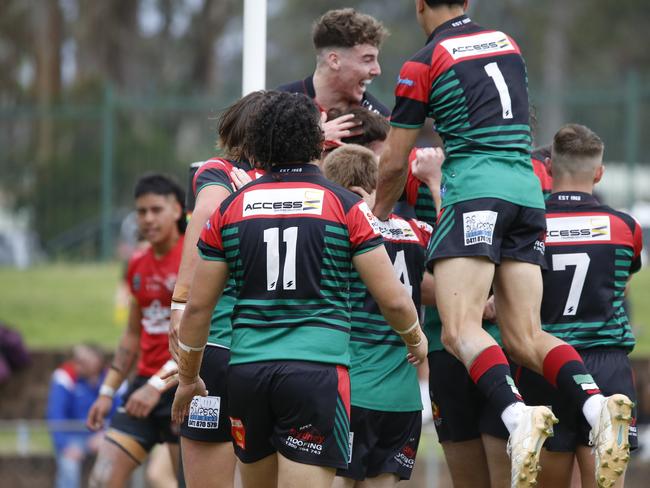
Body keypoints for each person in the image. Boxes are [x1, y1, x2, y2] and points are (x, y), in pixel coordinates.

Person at [372, 1, 633, 486]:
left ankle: (518, 416)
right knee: (525, 337)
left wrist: (376, 219)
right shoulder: (507, 44)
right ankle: (597, 406)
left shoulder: (422, 63)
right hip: (527, 193)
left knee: (456, 330)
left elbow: (392, 161)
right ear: (467, 3)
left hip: (476, 192)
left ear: (419, 5)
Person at [171, 91, 427, 488]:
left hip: (248, 375)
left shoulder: (231, 208)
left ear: (256, 145)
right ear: (317, 141)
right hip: (315, 376)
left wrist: (188, 378)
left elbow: (199, 308)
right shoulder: (344, 206)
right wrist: (415, 339)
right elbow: (393, 298)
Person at [514, 124, 641, 488]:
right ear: (599, 173)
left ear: (549, 167)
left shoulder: (530, 226)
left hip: (546, 363)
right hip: (608, 368)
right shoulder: (624, 227)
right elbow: (622, 283)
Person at [168, 91, 266, 488]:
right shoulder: (304, 185)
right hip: (283, 358)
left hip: (221, 350)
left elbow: (207, 211)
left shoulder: (222, 172)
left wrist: (179, 302)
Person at [323, 145, 431, 487]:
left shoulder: (340, 230)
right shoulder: (416, 230)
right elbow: (452, 246)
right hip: (403, 399)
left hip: (352, 392)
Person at [410, 148, 511, 488]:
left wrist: (436, 181)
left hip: (492, 350)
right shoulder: (430, 182)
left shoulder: (505, 187)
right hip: (450, 350)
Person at [86, 174, 185, 487]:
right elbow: (132, 333)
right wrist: (107, 391)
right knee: (102, 480)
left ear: (177, 211)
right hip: (142, 387)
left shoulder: (194, 258)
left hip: (183, 386)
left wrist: (157, 385)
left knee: (186, 482)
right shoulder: (137, 262)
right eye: (141, 212)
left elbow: (201, 335)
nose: (148, 219)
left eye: (156, 210)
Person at [278, 8, 390, 146]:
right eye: (367, 60)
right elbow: (251, 160)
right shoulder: (279, 105)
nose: (377, 70)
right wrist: (315, 140)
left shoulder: (382, 116)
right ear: (334, 61)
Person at [47, 344, 111, 488]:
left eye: (84, 362)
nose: (78, 365)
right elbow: (55, 416)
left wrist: (106, 434)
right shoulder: (65, 377)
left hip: (102, 436)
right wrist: (64, 445)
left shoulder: (110, 379)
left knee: (110, 465)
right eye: (77, 360)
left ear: (98, 362)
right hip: (72, 437)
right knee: (69, 466)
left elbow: (120, 412)